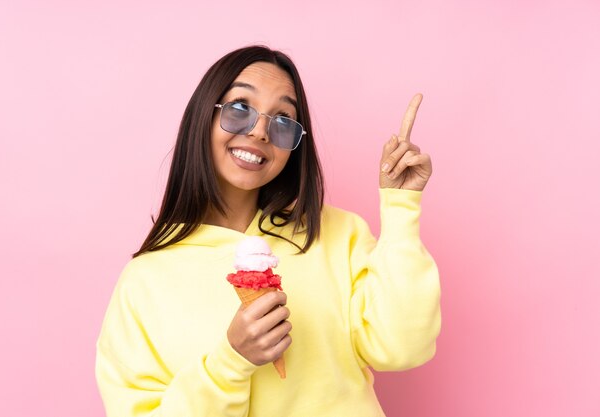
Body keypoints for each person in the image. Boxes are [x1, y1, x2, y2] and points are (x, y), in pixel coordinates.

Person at [95, 45, 441, 417]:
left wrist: (400, 208)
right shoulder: (144, 281)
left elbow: (404, 347)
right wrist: (231, 361)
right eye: (240, 108)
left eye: (282, 121)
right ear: (203, 117)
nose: (261, 131)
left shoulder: (338, 234)